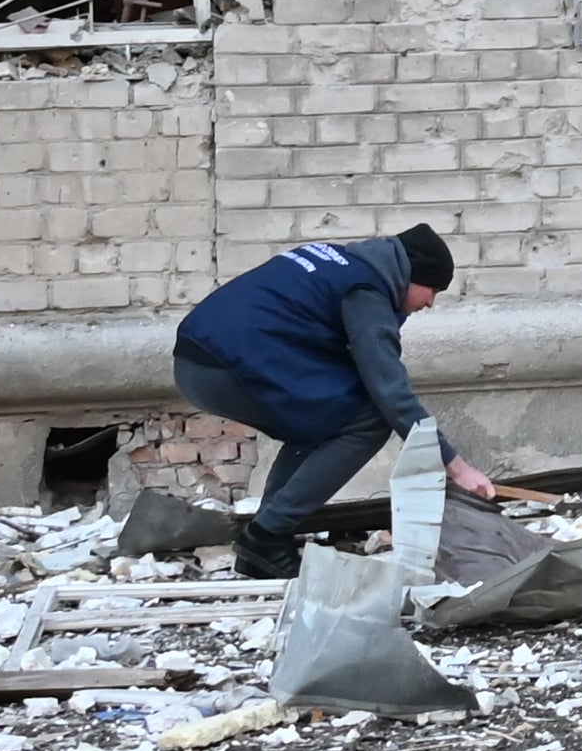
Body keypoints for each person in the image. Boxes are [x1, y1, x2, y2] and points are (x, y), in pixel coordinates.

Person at [169, 227, 498, 578]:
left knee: (324, 420)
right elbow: (389, 391)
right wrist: (456, 466)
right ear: (407, 276)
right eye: (431, 289)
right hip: (224, 368)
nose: (431, 302)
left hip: (197, 358)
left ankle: (266, 540)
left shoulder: (338, 262)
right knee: (369, 420)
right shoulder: (366, 292)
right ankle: (266, 535)